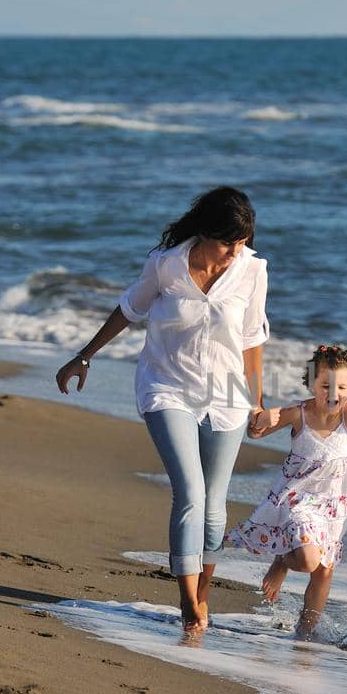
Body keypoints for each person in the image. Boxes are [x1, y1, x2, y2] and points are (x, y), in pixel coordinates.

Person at [56, 186, 268, 635]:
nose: (236, 252)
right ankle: (188, 601)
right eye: (229, 242)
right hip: (167, 387)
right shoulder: (167, 264)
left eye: (243, 242)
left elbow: (252, 339)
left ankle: (203, 592)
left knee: (214, 507)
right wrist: (84, 355)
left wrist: (259, 401)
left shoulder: (251, 270)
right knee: (190, 493)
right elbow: (129, 309)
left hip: (228, 395)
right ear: (207, 233)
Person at [225, 346, 347, 639]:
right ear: (312, 383)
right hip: (298, 501)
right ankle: (283, 561)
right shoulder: (298, 414)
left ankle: (305, 635)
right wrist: (260, 420)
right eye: (325, 386)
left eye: (342, 387)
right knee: (309, 560)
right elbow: (255, 432)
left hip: (334, 507)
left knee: (323, 570)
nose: (333, 394)